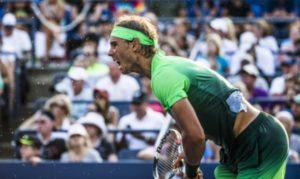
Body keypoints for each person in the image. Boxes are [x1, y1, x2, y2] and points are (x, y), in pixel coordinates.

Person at [108, 15, 288, 179]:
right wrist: (188, 157)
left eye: (114, 44)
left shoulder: (163, 77)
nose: (110, 52)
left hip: (259, 142)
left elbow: (195, 136)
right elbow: (208, 114)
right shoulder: (166, 67)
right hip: (236, 148)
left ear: (134, 45)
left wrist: (191, 172)